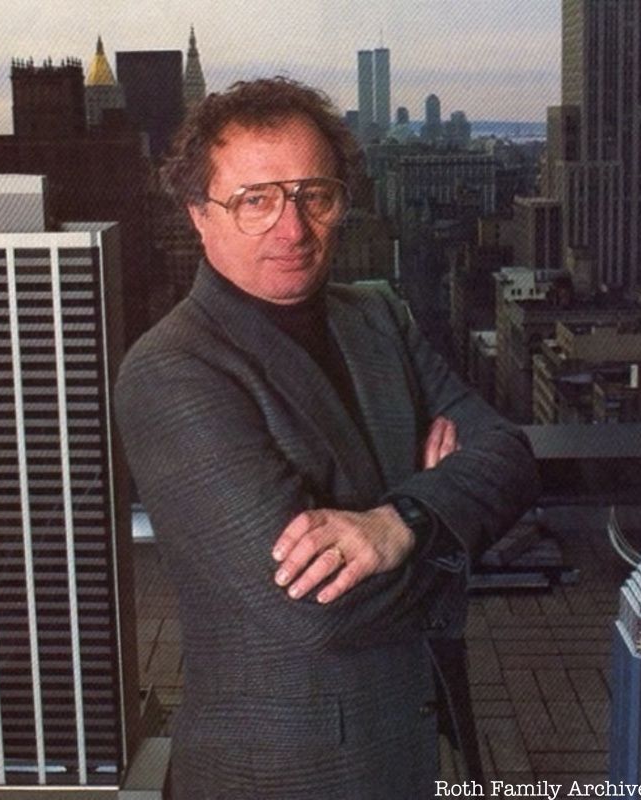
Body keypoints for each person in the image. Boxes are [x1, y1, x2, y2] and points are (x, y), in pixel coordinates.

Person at [116, 77, 539, 799]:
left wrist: (398, 522)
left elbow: (507, 453)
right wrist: (450, 527)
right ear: (199, 214)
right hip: (283, 774)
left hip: (420, 744)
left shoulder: (378, 314)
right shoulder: (170, 370)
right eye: (256, 201)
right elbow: (314, 609)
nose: (293, 229)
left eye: (315, 195)